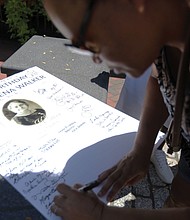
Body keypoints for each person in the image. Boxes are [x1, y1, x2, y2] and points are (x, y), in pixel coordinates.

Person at [42, 0, 190, 219]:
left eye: (90, 42)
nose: (96, 60)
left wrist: (102, 215)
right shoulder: (167, 35)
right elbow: (160, 79)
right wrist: (141, 149)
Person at [115, 67, 174, 184]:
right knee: (135, 101)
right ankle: (121, 148)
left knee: (171, 115)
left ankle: (156, 148)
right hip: (152, 62)